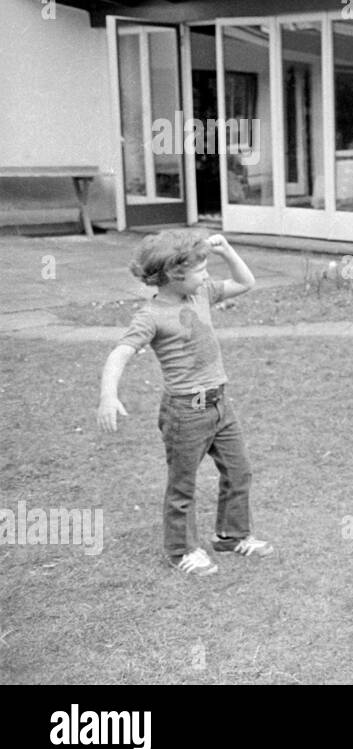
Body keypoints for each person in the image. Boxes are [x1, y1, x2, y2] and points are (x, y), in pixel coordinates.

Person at [97, 231, 271, 576]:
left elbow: (246, 282)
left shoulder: (201, 294)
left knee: (239, 471)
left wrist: (227, 251)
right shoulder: (151, 316)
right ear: (174, 275)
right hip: (186, 412)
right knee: (183, 484)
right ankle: (181, 550)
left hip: (221, 405)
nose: (206, 274)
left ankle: (231, 535)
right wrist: (108, 395)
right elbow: (120, 353)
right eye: (200, 268)